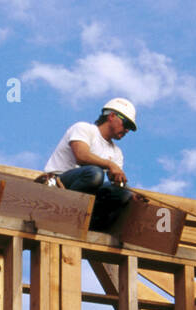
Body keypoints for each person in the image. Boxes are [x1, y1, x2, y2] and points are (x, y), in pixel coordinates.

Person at [40, 97, 137, 231]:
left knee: (123, 194)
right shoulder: (84, 129)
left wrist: (130, 194)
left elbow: (116, 184)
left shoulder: (117, 152)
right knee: (94, 174)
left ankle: (89, 227)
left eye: (130, 128)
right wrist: (110, 165)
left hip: (85, 196)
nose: (127, 130)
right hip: (59, 184)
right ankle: (64, 215)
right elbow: (81, 156)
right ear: (112, 116)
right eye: (126, 124)